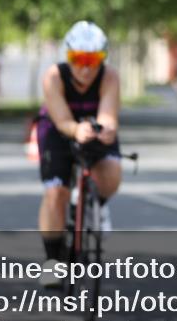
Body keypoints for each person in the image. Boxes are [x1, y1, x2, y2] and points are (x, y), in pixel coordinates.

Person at [35, 21, 122, 287]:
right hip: (59, 130)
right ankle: (53, 260)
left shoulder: (109, 76)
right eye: (78, 59)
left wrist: (106, 130)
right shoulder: (53, 76)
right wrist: (76, 129)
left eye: (92, 60)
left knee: (112, 176)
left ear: (102, 59)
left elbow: (108, 115)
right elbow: (62, 120)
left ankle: (95, 206)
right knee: (55, 192)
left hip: (92, 130)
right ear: (67, 56)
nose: (85, 67)